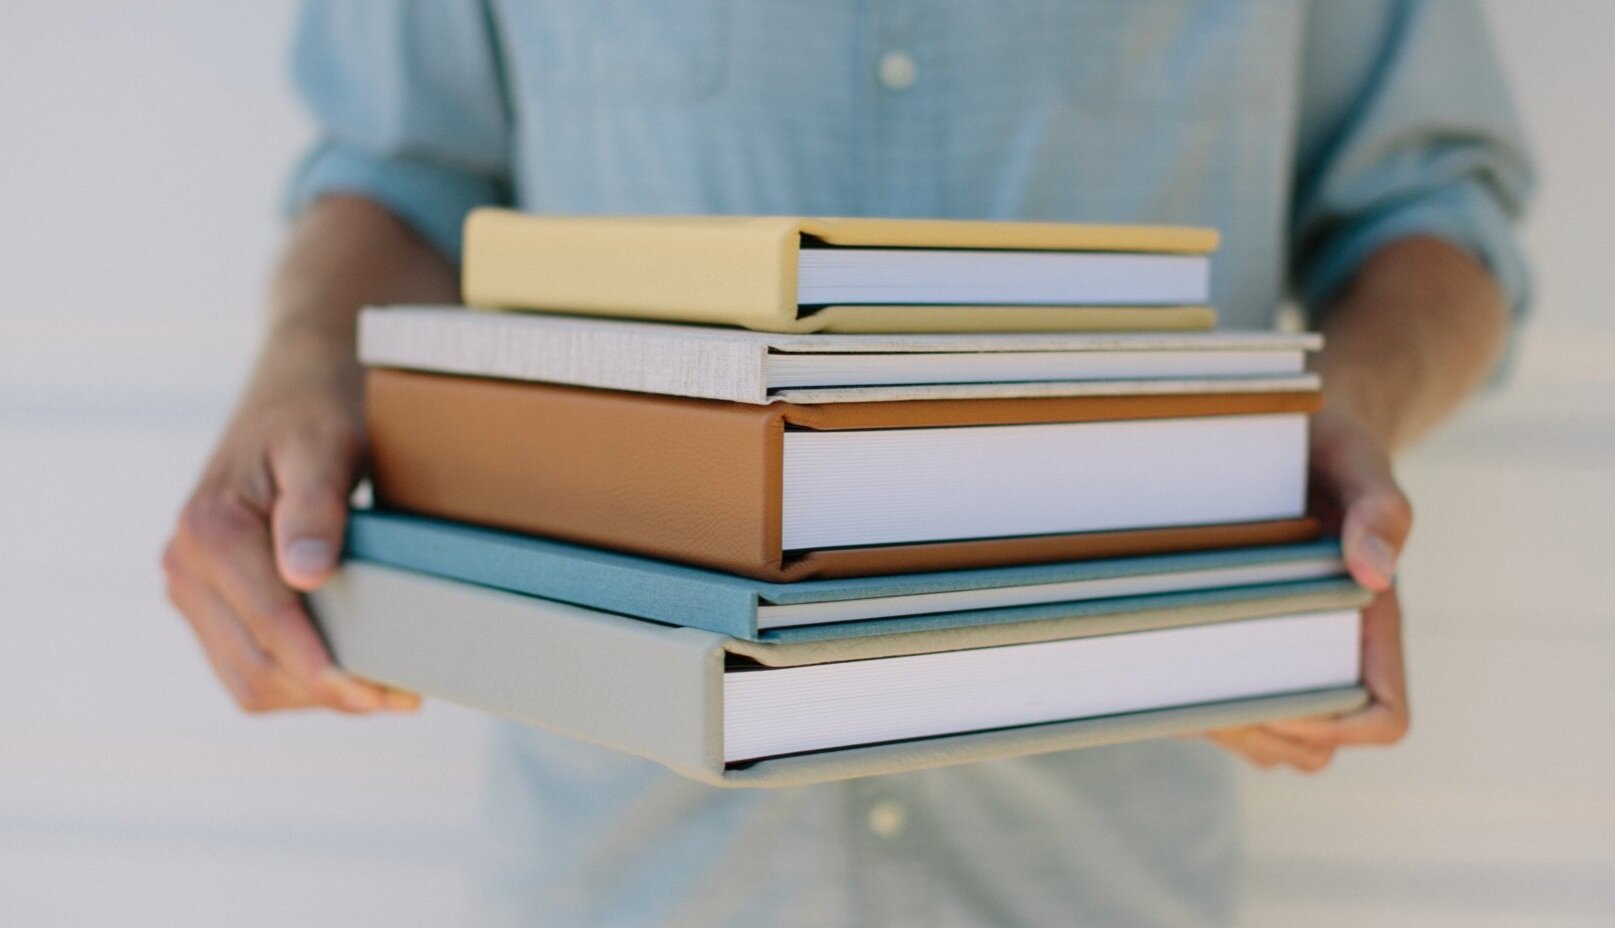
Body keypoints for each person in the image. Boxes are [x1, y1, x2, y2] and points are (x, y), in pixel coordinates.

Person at [161, 1, 1532, 924]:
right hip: (617, 866)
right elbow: (404, 183)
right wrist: (296, 368)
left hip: (1100, 874)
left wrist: (1330, 418)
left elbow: (1430, 211)